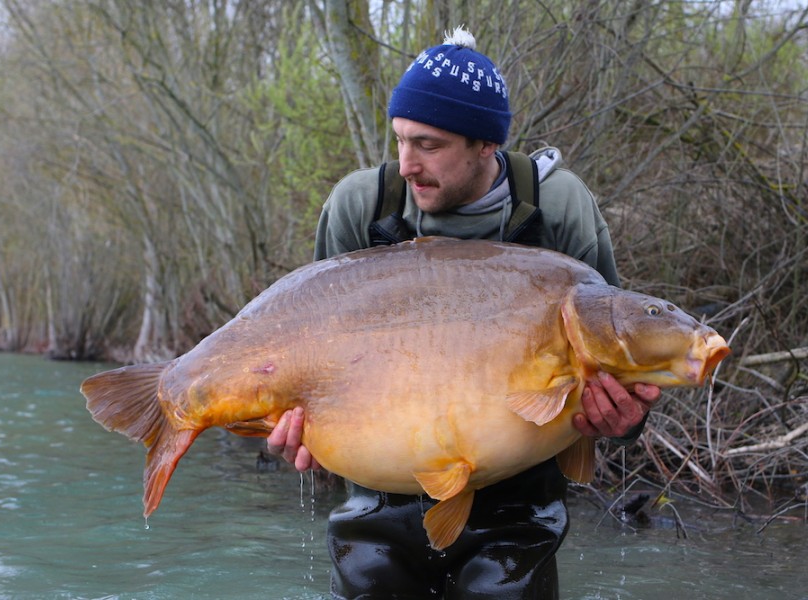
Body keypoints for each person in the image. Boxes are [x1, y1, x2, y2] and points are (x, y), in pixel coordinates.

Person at [268, 27, 661, 599]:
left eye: (428, 145)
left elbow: (616, 353)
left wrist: (625, 421)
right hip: (379, 495)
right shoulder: (360, 205)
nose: (406, 164)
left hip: (518, 504)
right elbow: (315, 356)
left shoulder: (560, 209)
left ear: (485, 145)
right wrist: (298, 433)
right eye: (399, 140)